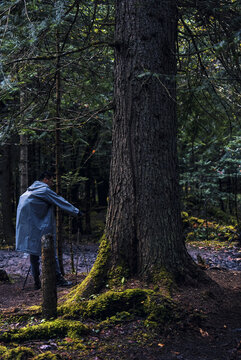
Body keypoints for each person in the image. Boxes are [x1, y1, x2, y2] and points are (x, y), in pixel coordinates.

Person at [16, 171, 81, 290]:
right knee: (51, 252)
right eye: (51, 181)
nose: (51, 184)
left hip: (29, 229)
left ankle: (37, 282)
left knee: (33, 254)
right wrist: (76, 211)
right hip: (41, 227)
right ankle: (58, 279)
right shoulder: (44, 190)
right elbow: (60, 201)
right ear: (45, 179)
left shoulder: (26, 192)